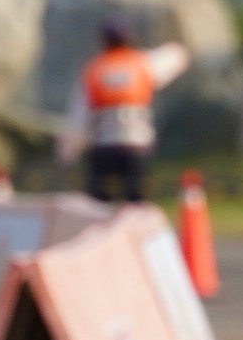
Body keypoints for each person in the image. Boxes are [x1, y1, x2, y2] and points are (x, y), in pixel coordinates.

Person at [63, 16, 191, 204]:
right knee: (136, 200)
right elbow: (177, 56)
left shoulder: (94, 70)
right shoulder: (142, 63)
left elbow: (78, 118)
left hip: (104, 146)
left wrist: (67, 155)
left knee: (98, 204)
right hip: (136, 144)